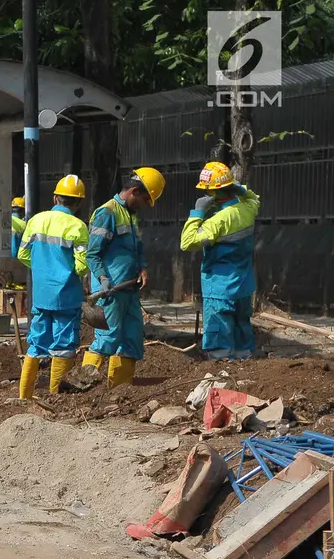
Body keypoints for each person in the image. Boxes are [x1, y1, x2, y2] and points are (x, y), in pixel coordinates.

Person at [82, 167, 166, 387]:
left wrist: (142, 268)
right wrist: (102, 279)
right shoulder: (107, 213)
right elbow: (92, 254)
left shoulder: (130, 216)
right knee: (107, 339)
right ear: (135, 191)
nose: (146, 205)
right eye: (146, 200)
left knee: (132, 340)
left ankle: (119, 391)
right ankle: (81, 386)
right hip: (110, 291)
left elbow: (136, 248)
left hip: (128, 290)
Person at [16, 175, 90, 399]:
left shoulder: (36, 221)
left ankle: (23, 398)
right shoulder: (78, 226)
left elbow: (22, 254)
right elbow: (82, 264)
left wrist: (42, 269)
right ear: (79, 203)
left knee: (36, 344)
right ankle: (56, 397)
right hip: (66, 295)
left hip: (40, 294)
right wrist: (65, 273)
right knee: (64, 345)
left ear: (56, 197)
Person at [180, 161, 260, 360]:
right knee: (242, 332)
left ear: (213, 193)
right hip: (243, 286)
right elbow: (254, 198)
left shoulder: (218, 221)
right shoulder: (248, 209)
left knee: (219, 339)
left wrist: (197, 212)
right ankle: (245, 371)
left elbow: (187, 242)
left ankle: (221, 373)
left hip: (220, 289)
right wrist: (239, 188)